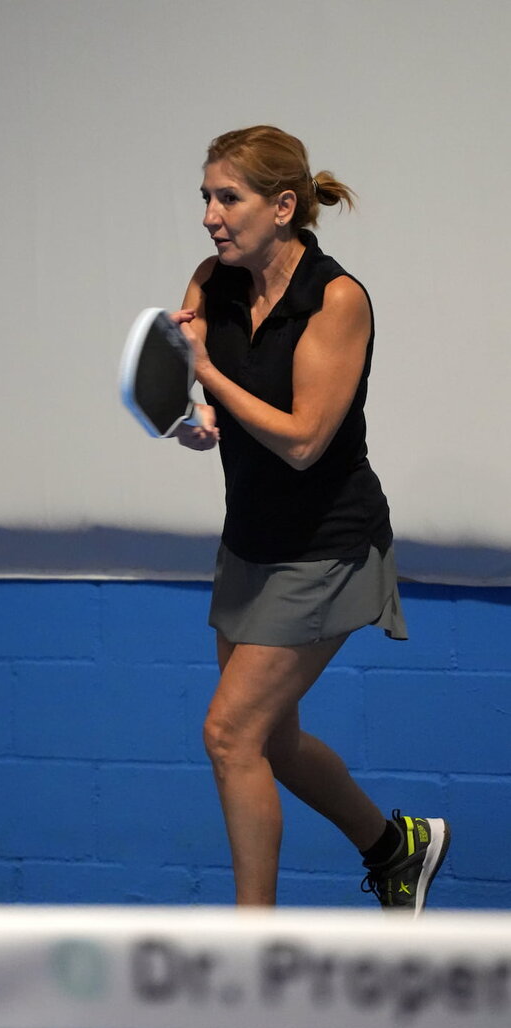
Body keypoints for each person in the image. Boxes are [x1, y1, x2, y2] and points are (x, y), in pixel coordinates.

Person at [172, 124, 449, 911]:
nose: (209, 216)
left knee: (230, 737)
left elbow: (301, 440)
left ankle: (251, 956)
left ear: (283, 206)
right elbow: (193, 390)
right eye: (205, 197)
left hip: (328, 547)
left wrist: (205, 380)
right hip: (250, 541)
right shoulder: (211, 279)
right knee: (275, 742)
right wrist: (190, 417)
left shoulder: (336, 299)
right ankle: (397, 847)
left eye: (228, 198)